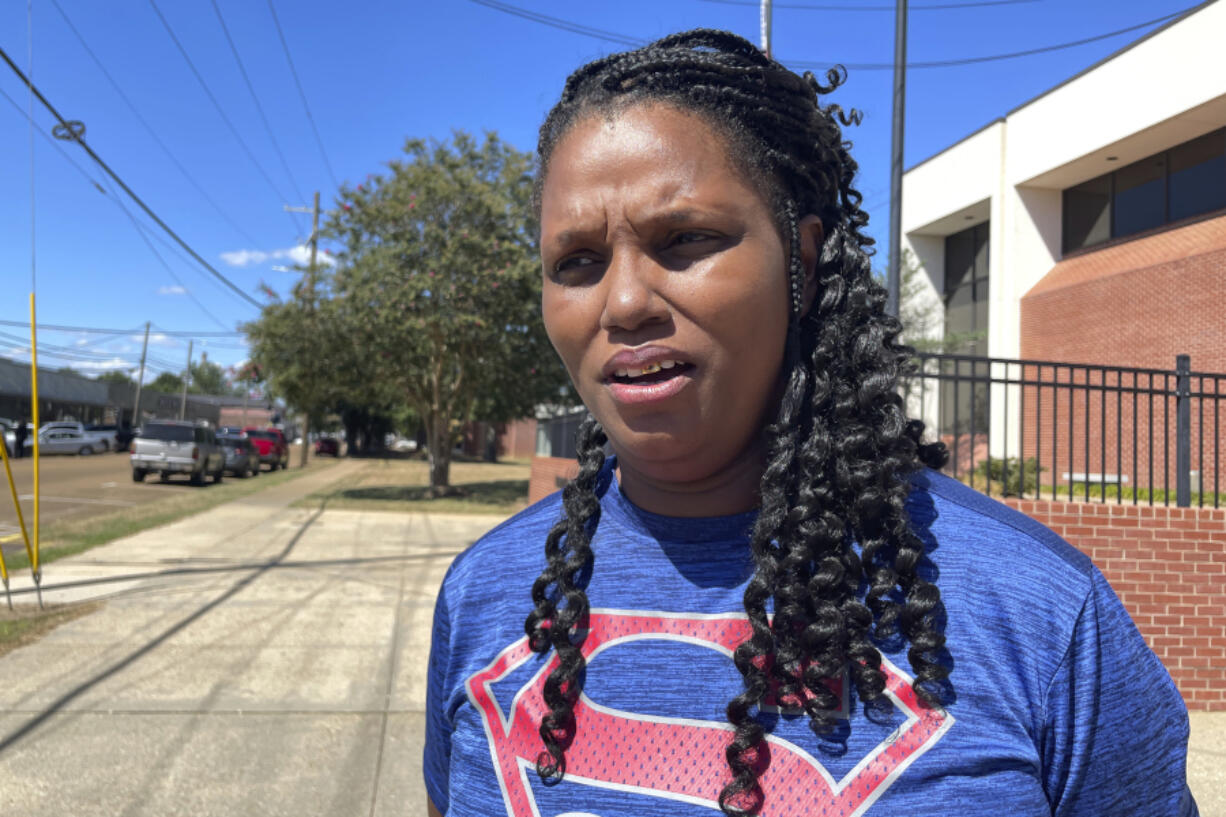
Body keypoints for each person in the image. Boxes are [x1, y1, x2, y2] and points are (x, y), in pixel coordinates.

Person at [424, 30, 1198, 817]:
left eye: (685, 239)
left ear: (802, 260)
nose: (624, 303)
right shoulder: (483, 596)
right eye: (578, 262)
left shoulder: (1038, 615)